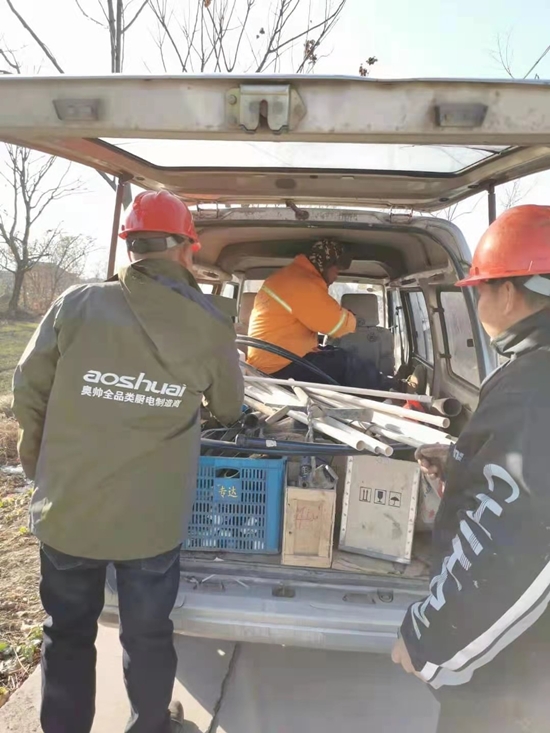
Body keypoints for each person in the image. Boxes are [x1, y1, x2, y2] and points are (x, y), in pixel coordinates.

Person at [12, 190, 244, 733]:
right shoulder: (209, 324)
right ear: (186, 248)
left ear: (131, 248)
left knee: (67, 632)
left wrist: (41, 469)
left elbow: (27, 388)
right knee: (147, 634)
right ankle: (150, 725)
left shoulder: (77, 303)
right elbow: (230, 408)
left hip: (69, 511)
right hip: (151, 521)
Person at [391, 205, 550, 733]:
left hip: (515, 659)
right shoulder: (532, 368)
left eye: (480, 290)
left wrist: (430, 635)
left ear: (509, 291)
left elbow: (518, 542)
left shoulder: (533, 386)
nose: (478, 302)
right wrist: (462, 465)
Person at [247, 239, 389, 388]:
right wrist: (352, 318)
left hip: (272, 361)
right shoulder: (302, 283)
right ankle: (390, 391)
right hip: (279, 367)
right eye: (336, 270)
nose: (336, 277)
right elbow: (336, 325)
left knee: (334, 353)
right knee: (346, 363)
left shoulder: (290, 276)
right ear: (326, 265)